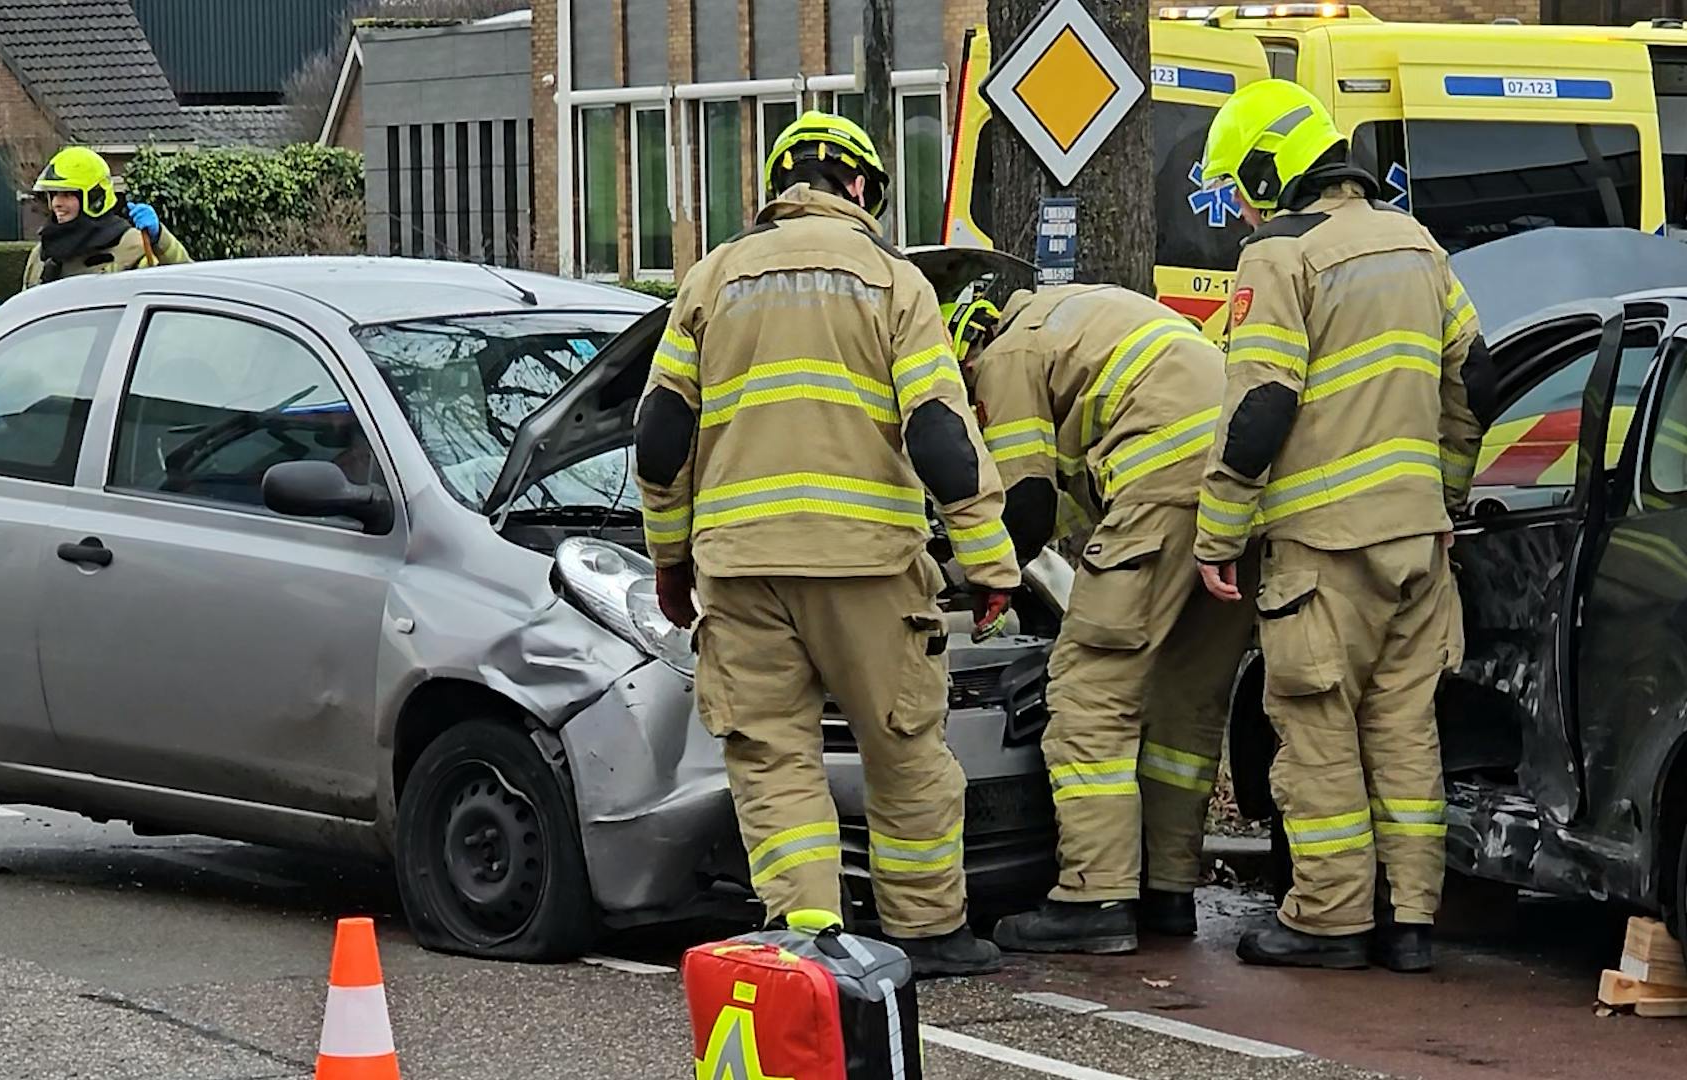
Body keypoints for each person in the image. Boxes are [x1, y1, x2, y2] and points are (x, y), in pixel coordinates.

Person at [632, 111, 1020, 977]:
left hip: (741, 567)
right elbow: (939, 437)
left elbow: (660, 435)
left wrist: (670, 556)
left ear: (781, 189)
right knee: (904, 745)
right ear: (859, 187)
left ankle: (811, 940)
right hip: (868, 567)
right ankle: (928, 931)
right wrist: (991, 562)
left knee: (774, 757)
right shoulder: (893, 284)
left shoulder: (710, 281)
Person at [1193, 80, 1495, 972]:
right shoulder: (1418, 245)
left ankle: (1328, 920)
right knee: (1405, 733)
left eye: (1243, 191)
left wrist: (1218, 537)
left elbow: (1260, 410)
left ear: (1269, 169)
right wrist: (1441, 496)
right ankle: (1411, 924)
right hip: (1414, 546)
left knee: (1317, 728)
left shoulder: (1283, 260)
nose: (1243, 213)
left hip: (1323, 551)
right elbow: (1471, 385)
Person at [956, 281, 1258, 957]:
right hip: (1236, 496)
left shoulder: (1004, 357)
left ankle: (1094, 897)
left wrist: (977, 572)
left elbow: (1027, 504)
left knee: (1090, 693)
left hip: (1163, 486)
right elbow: (1066, 505)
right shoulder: (1078, 317)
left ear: (962, 350)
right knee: (1185, 708)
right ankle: (1167, 890)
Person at [22, 147, 189, 289]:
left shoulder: (129, 245)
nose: (57, 203)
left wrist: (160, 239)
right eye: (54, 195)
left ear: (94, 198)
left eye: (66, 195)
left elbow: (184, 285)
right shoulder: (41, 254)